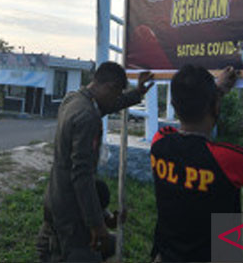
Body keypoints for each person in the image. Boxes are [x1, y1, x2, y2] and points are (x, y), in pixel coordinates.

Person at [149, 64, 243, 262]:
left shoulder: (159, 143)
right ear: (215, 106)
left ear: (173, 105)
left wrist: (216, 92)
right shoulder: (226, 160)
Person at [36, 61, 155, 262]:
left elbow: (108, 105)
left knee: (53, 249)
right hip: (72, 212)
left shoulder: (73, 99)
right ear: (109, 87)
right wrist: (96, 224)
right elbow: (81, 175)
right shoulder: (87, 116)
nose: (116, 99)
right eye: (117, 93)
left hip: (55, 199)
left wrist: (137, 93)